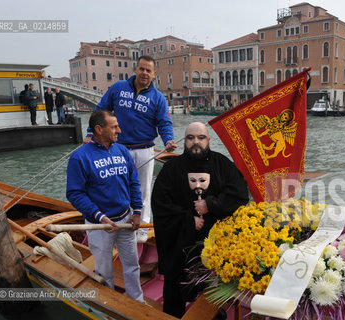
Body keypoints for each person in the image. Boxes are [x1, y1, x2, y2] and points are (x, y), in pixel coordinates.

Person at [151, 122, 249, 318]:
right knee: (174, 297)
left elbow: (239, 194)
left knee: (213, 295)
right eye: (191, 138)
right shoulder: (171, 169)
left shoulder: (223, 165)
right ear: (184, 140)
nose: (196, 142)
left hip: (214, 244)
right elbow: (160, 205)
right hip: (179, 243)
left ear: (208, 140)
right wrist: (188, 219)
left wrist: (210, 204)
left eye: (201, 137)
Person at [86, 55, 177, 243]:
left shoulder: (158, 98)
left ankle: (142, 227)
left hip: (145, 150)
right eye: (142, 69)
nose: (144, 73)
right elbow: (100, 111)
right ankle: (116, 222)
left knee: (143, 191)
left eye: (148, 70)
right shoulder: (118, 88)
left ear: (153, 74)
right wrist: (90, 133)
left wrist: (169, 139)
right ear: (135, 70)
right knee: (114, 187)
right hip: (117, 148)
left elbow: (164, 122)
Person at [66, 110, 144, 302]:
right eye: (114, 126)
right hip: (99, 225)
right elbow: (75, 193)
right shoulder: (79, 158)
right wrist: (100, 216)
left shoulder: (122, 150)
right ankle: (108, 302)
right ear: (99, 129)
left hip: (126, 219)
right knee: (104, 270)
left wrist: (137, 211)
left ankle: (137, 300)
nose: (119, 130)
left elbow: (133, 182)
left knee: (133, 265)